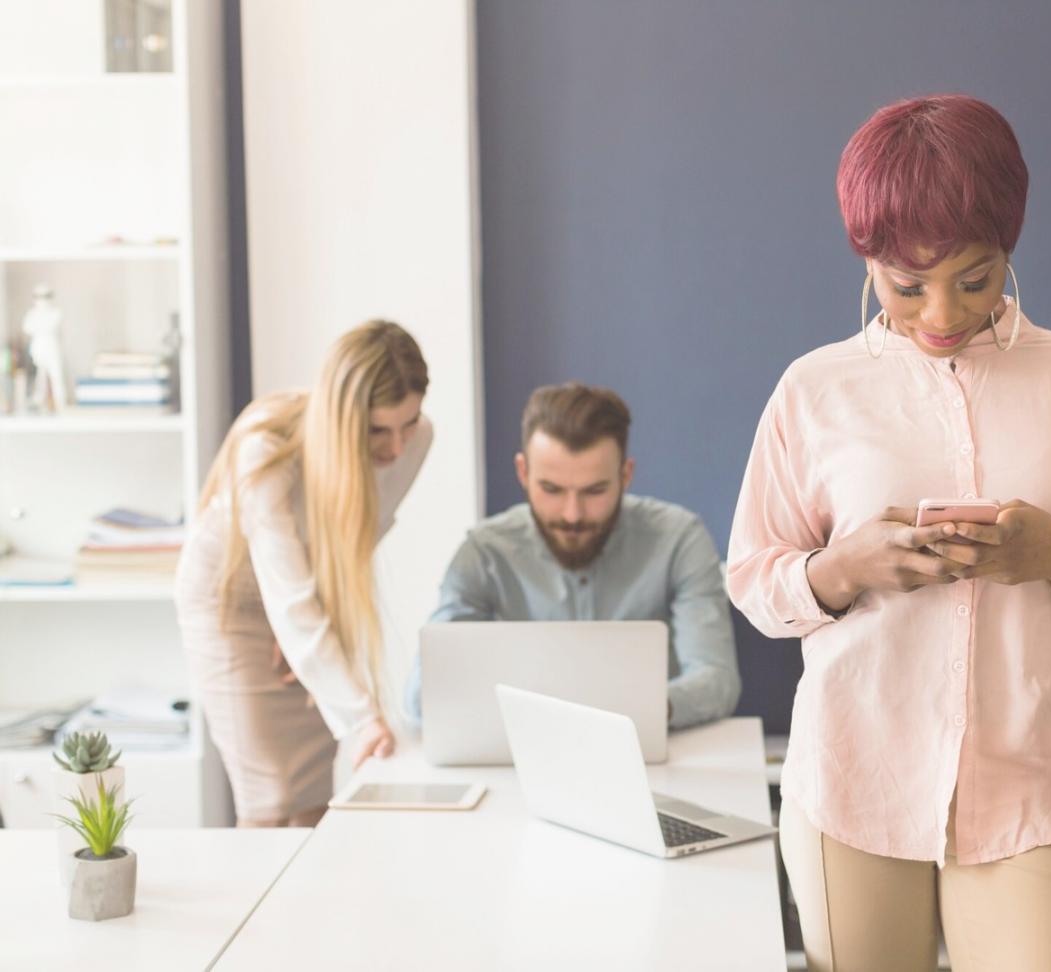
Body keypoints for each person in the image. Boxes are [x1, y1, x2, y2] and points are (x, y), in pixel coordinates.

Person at [727, 95, 1051, 971]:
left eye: (976, 277)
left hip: (1024, 785)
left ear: (1010, 249)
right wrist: (839, 570)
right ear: (867, 260)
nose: (941, 312)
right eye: (906, 284)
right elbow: (754, 580)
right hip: (851, 777)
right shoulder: (814, 391)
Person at [176, 320, 433, 827]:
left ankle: (311, 906)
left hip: (308, 589)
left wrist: (318, 628)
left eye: (408, 422)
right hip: (230, 601)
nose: (397, 447)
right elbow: (286, 597)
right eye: (378, 429)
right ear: (341, 417)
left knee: (314, 792)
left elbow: (362, 535)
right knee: (270, 797)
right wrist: (362, 717)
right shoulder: (266, 448)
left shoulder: (417, 441)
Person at [405, 381, 740, 729]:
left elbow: (717, 680)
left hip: (652, 753)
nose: (572, 515)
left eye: (594, 491)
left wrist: (638, 712)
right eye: (551, 489)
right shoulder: (484, 553)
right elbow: (420, 697)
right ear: (523, 472)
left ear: (625, 475)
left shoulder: (679, 540)